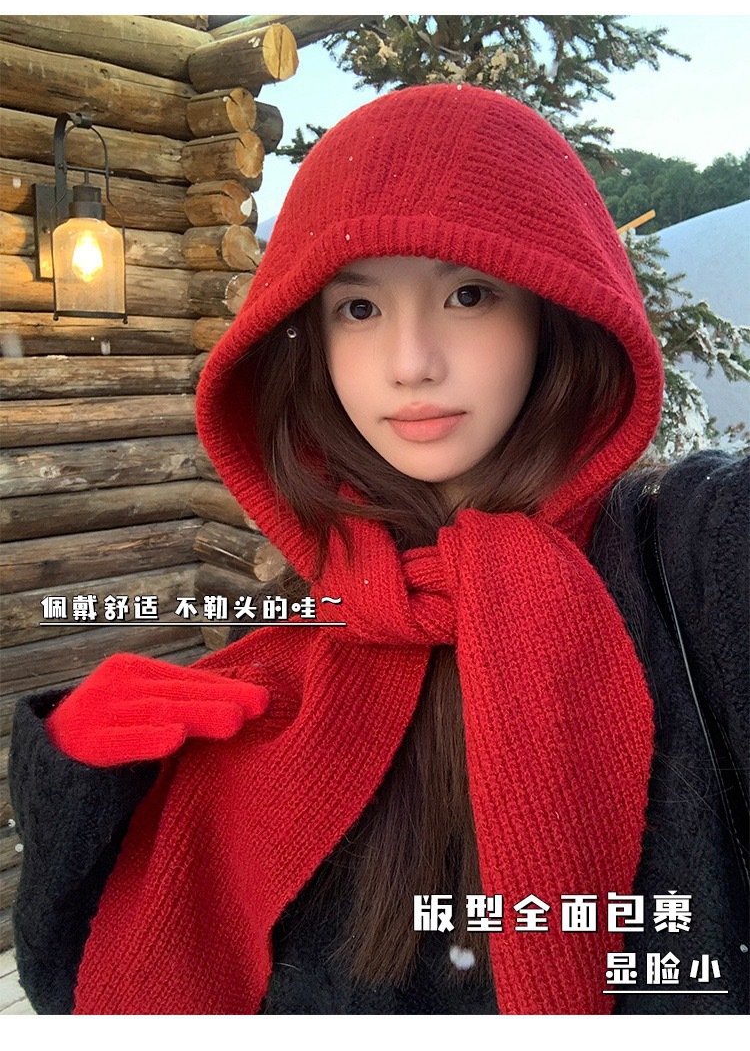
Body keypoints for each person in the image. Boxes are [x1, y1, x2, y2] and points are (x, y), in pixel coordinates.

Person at [8, 83, 749, 1016]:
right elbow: (75, 993)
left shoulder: (688, 555)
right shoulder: (296, 639)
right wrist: (78, 784)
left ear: (552, 313)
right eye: (357, 309)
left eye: (469, 294)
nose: (410, 363)